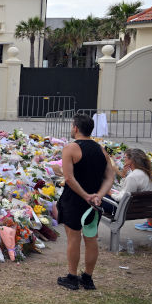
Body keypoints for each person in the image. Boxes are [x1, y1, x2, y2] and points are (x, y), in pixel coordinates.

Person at [56, 114, 114, 290]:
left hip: (75, 200)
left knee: (73, 239)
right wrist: (98, 195)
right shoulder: (101, 150)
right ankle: (88, 278)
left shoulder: (70, 148)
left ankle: (72, 277)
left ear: (75, 128)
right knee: (91, 239)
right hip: (93, 203)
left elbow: (69, 177)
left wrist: (85, 195)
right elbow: (110, 176)